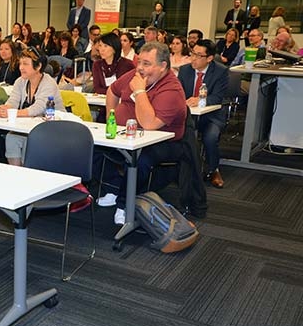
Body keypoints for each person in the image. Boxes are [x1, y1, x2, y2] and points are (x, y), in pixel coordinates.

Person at [95, 41, 187, 225]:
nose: (140, 68)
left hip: (163, 142)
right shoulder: (135, 74)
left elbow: (149, 124)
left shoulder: (172, 89)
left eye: (146, 64)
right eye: (139, 62)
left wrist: (139, 90)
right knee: (95, 148)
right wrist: (111, 118)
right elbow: (112, 91)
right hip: (128, 134)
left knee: (139, 159)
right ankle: (114, 188)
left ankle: (124, 204)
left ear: (163, 66)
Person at [0, 51, 65, 166]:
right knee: (11, 137)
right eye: (20, 64)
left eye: (25, 64)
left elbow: (39, 108)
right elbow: (13, 101)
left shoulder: (49, 83)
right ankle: (16, 173)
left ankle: (28, 173)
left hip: (53, 127)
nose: (21, 67)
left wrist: (13, 113)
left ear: (38, 66)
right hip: (29, 125)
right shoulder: (20, 81)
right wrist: (5, 108)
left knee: (30, 140)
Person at [178, 39, 229, 189]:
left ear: (209, 58)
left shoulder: (221, 71)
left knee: (210, 137)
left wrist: (200, 99)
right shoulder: (185, 70)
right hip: (188, 114)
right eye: (193, 53)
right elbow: (178, 92)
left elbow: (218, 97)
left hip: (211, 115)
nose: (193, 58)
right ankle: (183, 170)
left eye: (199, 55)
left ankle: (214, 169)